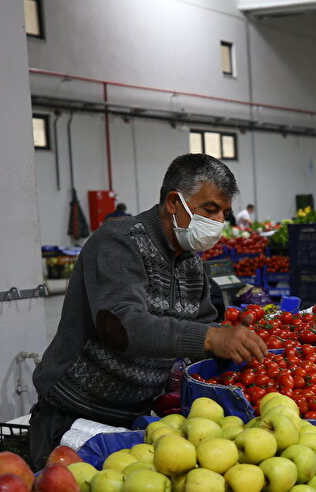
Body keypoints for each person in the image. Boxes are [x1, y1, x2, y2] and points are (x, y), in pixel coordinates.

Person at [28, 154, 268, 466]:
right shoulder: (119, 242)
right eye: (210, 210)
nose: (219, 222)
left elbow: (204, 329)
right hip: (75, 415)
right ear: (174, 203)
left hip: (135, 417)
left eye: (224, 213)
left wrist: (236, 341)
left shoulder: (191, 264)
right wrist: (210, 337)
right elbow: (120, 325)